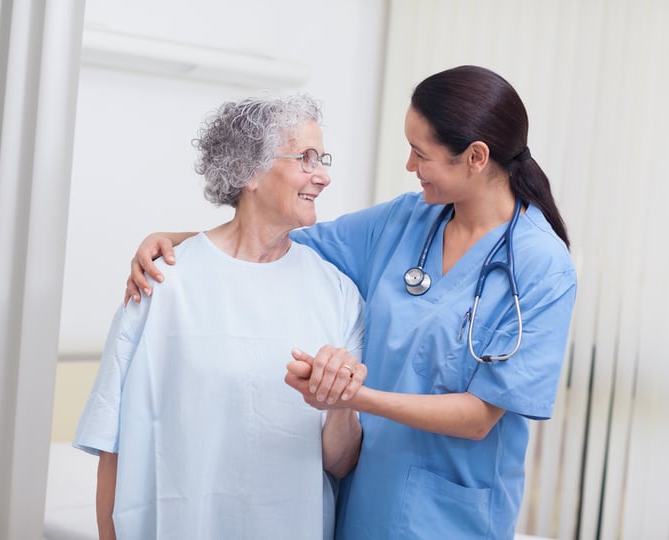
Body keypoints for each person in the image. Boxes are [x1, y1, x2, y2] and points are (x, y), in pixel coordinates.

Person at [123, 65, 577, 539]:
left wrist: (350, 398)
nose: (408, 166)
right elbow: (282, 238)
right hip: (363, 503)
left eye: (420, 154)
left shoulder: (542, 266)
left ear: (476, 157)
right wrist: (176, 241)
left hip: (452, 517)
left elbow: (480, 417)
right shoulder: (407, 220)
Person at [73, 94, 367, 540]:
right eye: (306, 158)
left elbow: (340, 462)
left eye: (322, 158)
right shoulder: (162, 282)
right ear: (248, 169)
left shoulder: (338, 294)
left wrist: (342, 403)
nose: (323, 176)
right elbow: (111, 446)